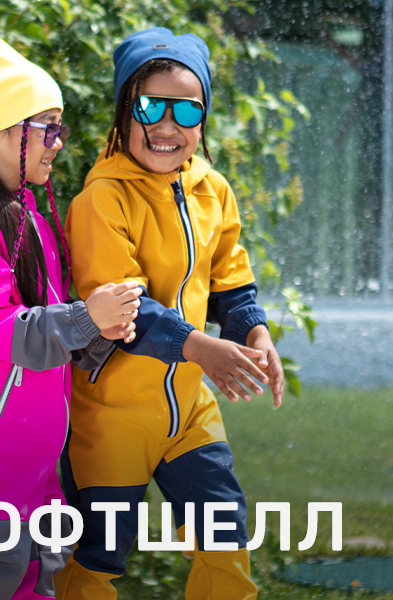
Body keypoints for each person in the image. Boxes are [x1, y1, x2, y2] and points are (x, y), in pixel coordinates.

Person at [0, 24, 141, 600]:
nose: (58, 142)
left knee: (44, 563)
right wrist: (84, 318)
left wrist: (99, 330)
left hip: (28, 425)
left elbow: (48, 322)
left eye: (60, 129)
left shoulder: (27, 218)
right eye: (47, 128)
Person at [55, 27, 284, 600]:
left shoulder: (214, 191)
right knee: (96, 554)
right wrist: (203, 348)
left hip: (188, 411)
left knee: (224, 536)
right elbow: (122, 311)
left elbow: (231, 283)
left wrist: (256, 333)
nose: (166, 126)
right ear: (123, 113)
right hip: (111, 414)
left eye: (187, 110)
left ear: (203, 121)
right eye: (150, 107)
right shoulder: (100, 200)